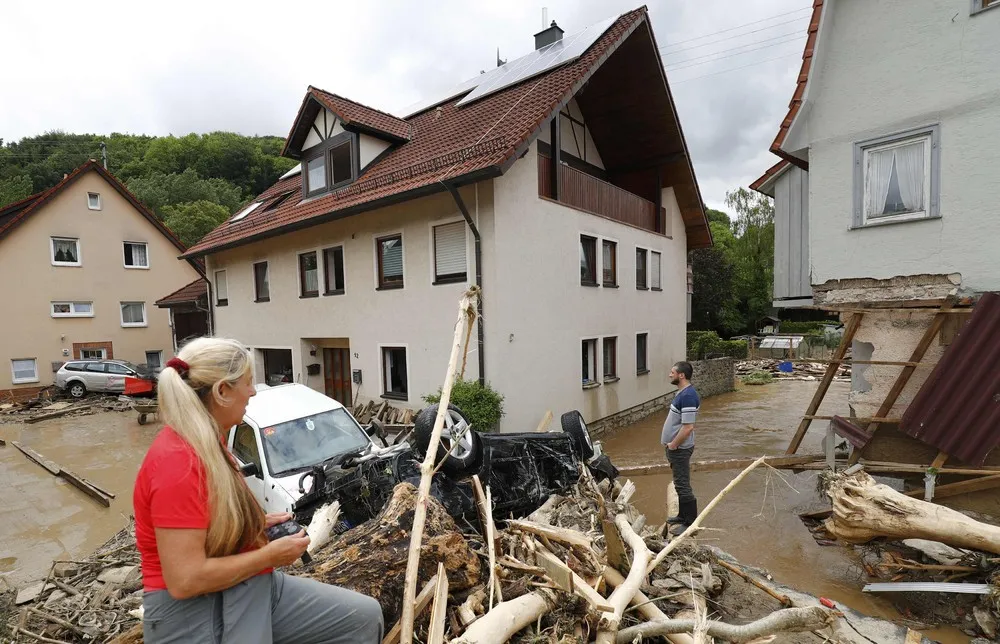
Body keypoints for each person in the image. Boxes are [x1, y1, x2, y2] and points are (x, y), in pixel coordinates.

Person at [133, 337, 383, 644]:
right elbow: (185, 580)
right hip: (193, 612)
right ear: (222, 391)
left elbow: (207, 523)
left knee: (362, 618)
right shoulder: (177, 465)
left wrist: (253, 524)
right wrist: (269, 556)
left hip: (249, 583)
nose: (253, 392)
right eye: (248, 382)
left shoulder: (212, 444)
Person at [661, 361, 701, 536]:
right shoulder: (683, 393)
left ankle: (690, 523)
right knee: (679, 482)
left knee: (683, 484)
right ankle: (682, 516)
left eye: (672, 372)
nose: (670, 375)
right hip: (676, 448)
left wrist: (674, 444)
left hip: (680, 449)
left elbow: (688, 427)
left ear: (681, 375)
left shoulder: (688, 396)